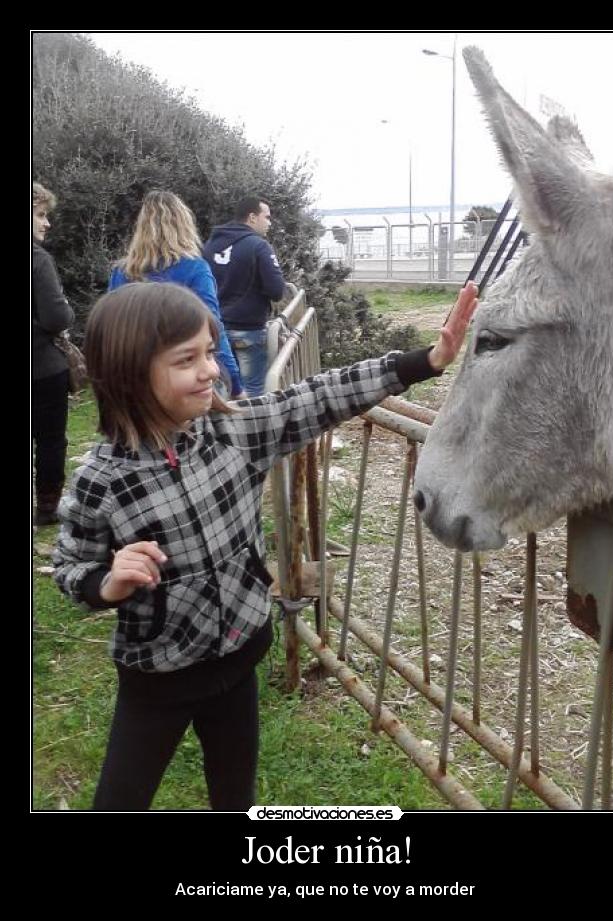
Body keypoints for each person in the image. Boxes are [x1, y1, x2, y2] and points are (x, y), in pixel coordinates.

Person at [52, 279, 478, 811]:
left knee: (236, 797)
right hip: (157, 678)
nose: (211, 369)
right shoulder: (101, 480)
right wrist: (107, 583)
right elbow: (69, 567)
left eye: (209, 351)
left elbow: (321, 395)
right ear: (129, 373)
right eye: (187, 360)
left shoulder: (233, 431)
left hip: (240, 657)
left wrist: (426, 361)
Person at [109, 189, 245, 398]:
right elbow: (212, 327)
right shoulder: (194, 268)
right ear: (184, 224)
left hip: (139, 376)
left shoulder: (122, 272)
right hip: (190, 375)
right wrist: (235, 383)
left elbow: (113, 331)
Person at [203, 195, 288, 396]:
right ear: (252, 217)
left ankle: (224, 426)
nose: (270, 223)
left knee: (222, 389)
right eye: (266, 217)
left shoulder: (210, 245)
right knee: (252, 392)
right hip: (249, 330)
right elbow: (276, 291)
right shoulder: (258, 246)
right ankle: (254, 426)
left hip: (216, 330)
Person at [32, 181, 75, 526]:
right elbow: (56, 316)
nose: (46, 224)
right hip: (41, 366)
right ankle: (47, 507)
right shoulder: (37, 260)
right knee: (49, 439)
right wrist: (68, 313)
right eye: (40, 214)